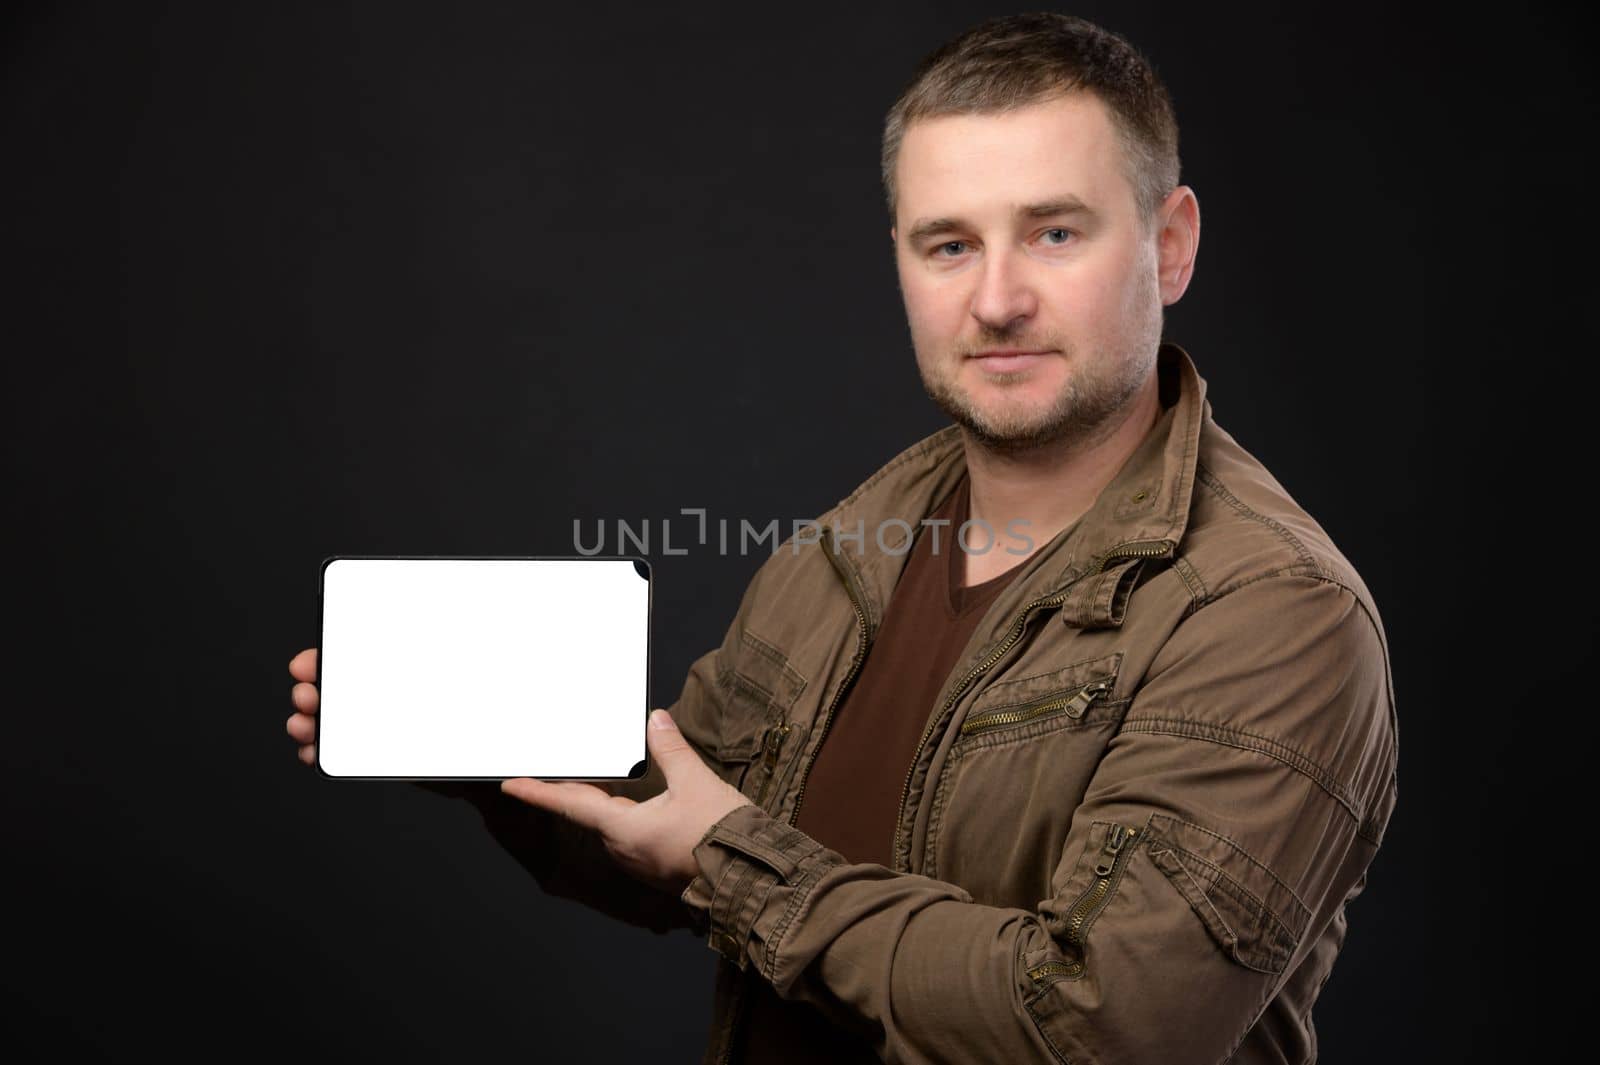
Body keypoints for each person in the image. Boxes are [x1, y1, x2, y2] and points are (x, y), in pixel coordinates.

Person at [286, 13, 1397, 1063]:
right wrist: (480, 748)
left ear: (1170, 246)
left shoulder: (1271, 609)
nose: (996, 299)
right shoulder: (848, 545)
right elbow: (675, 837)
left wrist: (732, 862)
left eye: (1054, 233)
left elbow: (1099, 1025)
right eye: (947, 245)